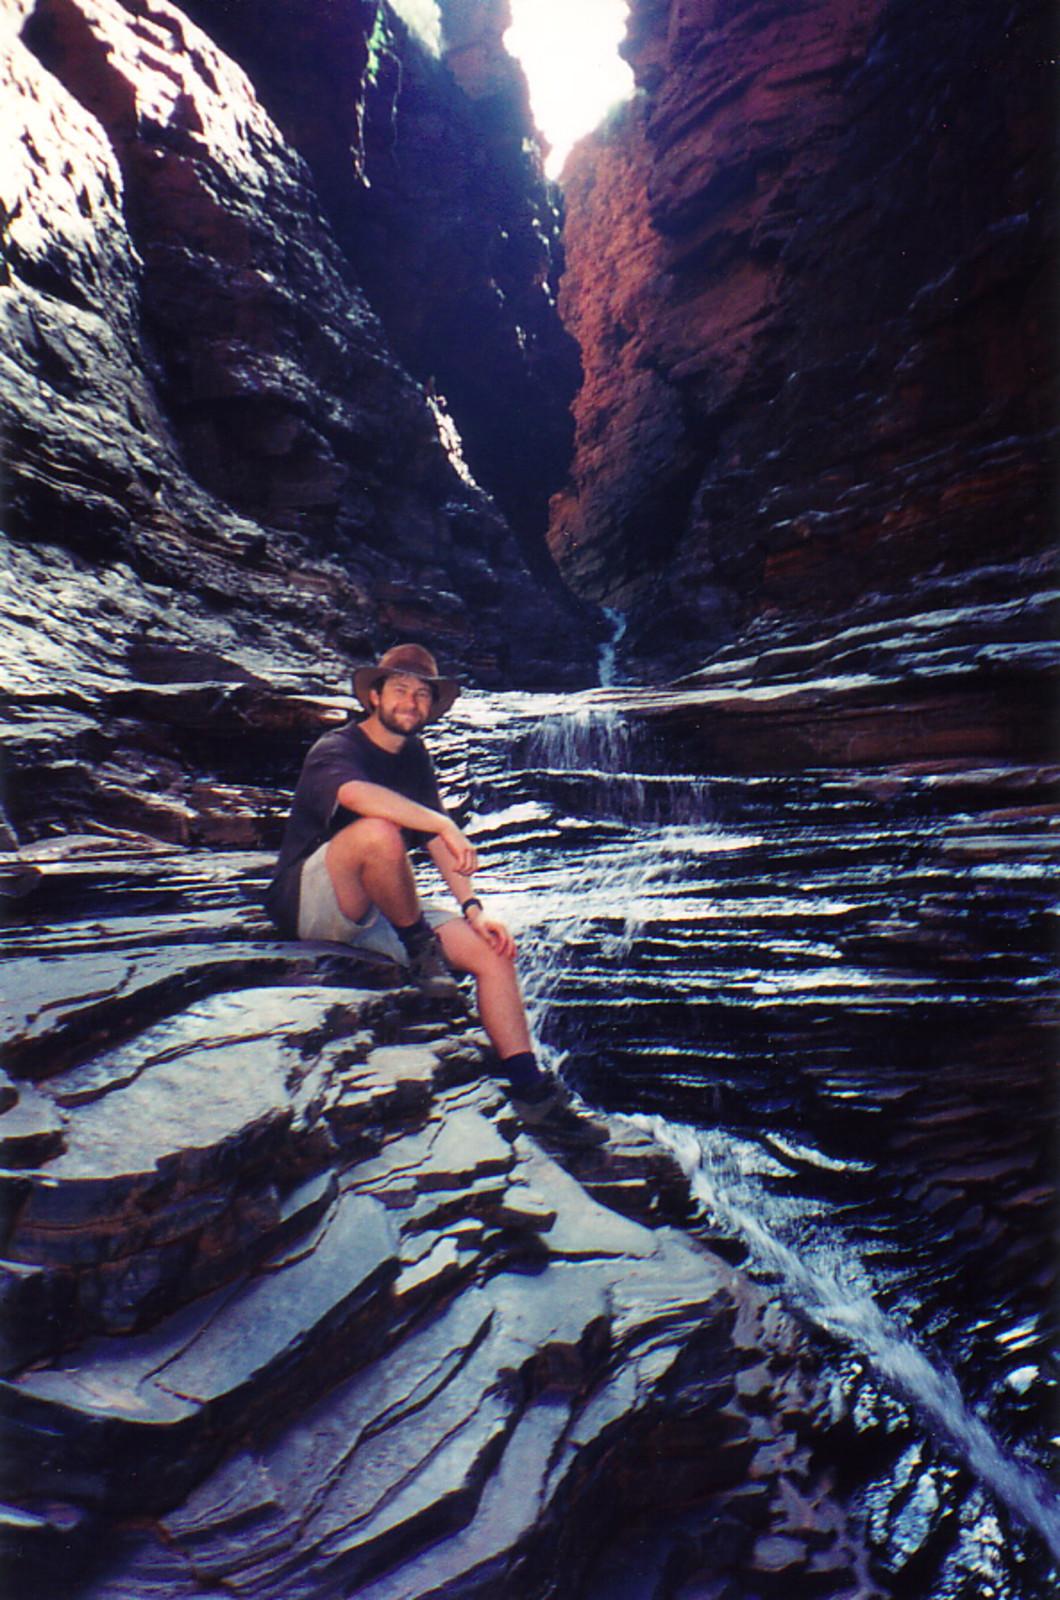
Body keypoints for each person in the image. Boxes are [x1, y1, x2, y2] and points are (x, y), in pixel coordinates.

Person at [265, 643, 604, 1139]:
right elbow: (359, 798)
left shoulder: (413, 755)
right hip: (312, 906)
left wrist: (473, 908)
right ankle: (422, 950)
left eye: (423, 695)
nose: (412, 702)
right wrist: (439, 821)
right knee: (379, 831)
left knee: (493, 951)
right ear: (374, 696)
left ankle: (533, 1095)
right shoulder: (337, 747)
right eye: (400, 689)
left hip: (378, 911)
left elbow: (437, 841)